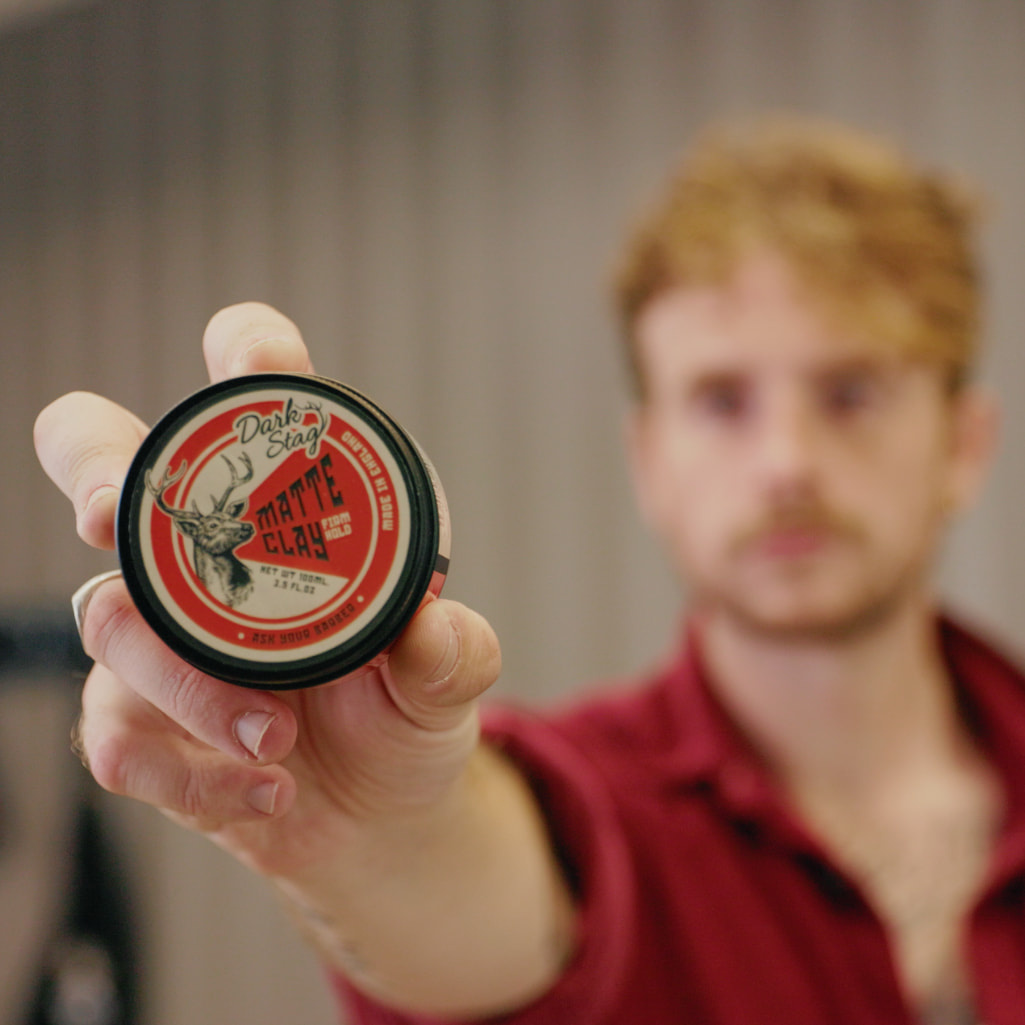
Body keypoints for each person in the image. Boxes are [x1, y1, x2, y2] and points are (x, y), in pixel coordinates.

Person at [32, 115, 1025, 1025]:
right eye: (721, 400)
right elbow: (470, 885)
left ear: (963, 445)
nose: (785, 462)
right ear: (648, 459)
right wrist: (365, 841)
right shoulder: (584, 807)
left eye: (850, 391)